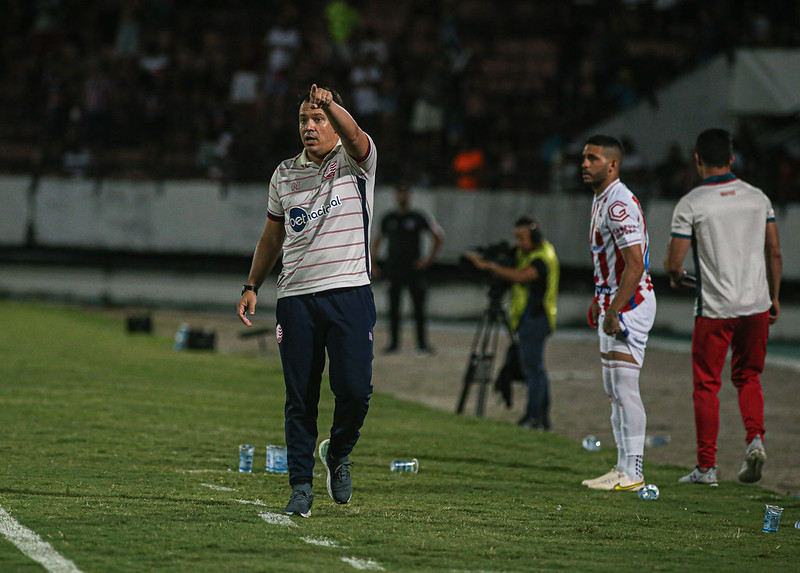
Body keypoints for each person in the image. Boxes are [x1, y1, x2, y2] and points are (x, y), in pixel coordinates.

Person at [237, 84, 377, 518]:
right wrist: (252, 285)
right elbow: (272, 235)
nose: (309, 127)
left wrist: (332, 105)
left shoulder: (356, 162)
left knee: (354, 391)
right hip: (295, 298)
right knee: (300, 396)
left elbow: (356, 136)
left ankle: (337, 452)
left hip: (349, 293)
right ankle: (300, 486)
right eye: (303, 120)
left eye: (317, 120)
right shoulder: (284, 174)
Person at [665, 128, 782, 486]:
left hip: (716, 309)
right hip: (756, 305)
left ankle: (706, 468)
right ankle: (755, 439)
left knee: (707, 385)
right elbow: (774, 251)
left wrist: (678, 278)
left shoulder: (691, 203)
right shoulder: (757, 198)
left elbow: (674, 264)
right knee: (749, 377)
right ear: (732, 159)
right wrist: (773, 296)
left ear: (697, 159)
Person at [579, 135, 656, 492]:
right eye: (584, 158)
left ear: (612, 164)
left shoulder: (618, 204)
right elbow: (608, 261)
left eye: (592, 158)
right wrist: (601, 298)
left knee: (625, 388)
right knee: (614, 388)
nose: (584, 164)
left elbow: (635, 264)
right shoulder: (602, 199)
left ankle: (634, 470)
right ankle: (623, 467)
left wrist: (615, 308)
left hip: (631, 304)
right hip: (615, 301)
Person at [464, 216, 559, 430]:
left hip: (537, 319)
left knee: (533, 370)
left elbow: (522, 276)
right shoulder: (528, 253)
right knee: (534, 369)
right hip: (527, 319)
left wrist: (489, 266)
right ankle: (539, 418)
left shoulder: (542, 257)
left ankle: (534, 417)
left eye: (521, 238)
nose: (518, 243)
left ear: (534, 237)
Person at [371, 185, 444, 354]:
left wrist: (428, 260)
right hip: (394, 268)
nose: (402, 196)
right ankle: (394, 343)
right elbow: (377, 240)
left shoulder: (418, 217)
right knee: (394, 307)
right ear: (396, 196)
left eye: (405, 193)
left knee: (419, 307)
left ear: (409, 196)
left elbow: (438, 236)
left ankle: (422, 343)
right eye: (400, 193)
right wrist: (373, 263)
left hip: (414, 269)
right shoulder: (388, 218)